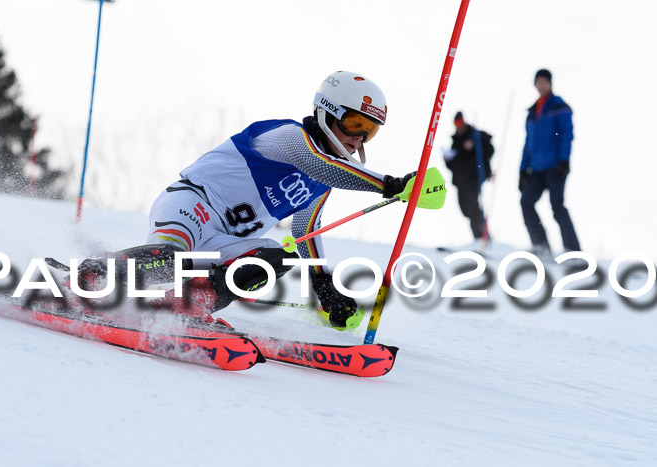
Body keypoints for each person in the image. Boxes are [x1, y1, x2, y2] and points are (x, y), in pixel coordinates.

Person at [75, 71, 443, 328]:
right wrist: (393, 185)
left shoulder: (323, 182)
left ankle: (184, 306)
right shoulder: (288, 136)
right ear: (328, 111)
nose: (359, 140)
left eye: (370, 132)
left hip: (223, 240)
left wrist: (323, 285)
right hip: (192, 206)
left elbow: (306, 231)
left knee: (273, 257)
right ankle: (90, 278)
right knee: (173, 259)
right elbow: (317, 163)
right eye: (354, 125)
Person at [519, 69, 580, 255]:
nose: (542, 85)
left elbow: (566, 135)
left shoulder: (559, 107)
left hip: (555, 166)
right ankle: (541, 244)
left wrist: (564, 160)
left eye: (545, 81)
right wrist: (522, 169)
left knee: (557, 206)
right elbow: (528, 143)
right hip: (536, 168)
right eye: (539, 81)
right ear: (535, 84)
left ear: (550, 84)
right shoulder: (531, 113)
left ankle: (573, 250)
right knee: (526, 202)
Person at [443, 111, 494, 241]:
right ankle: (482, 233)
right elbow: (453, 165)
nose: (458, 126)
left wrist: (474, 145)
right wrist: (447, 160)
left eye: (460, 122)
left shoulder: (476, 135)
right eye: (456, 123)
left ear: (464, 121)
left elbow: (490, 150)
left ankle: (481, 236)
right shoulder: (456, 141)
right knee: (465, 208)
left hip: (474, 177)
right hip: (461, 180)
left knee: (473, 206)